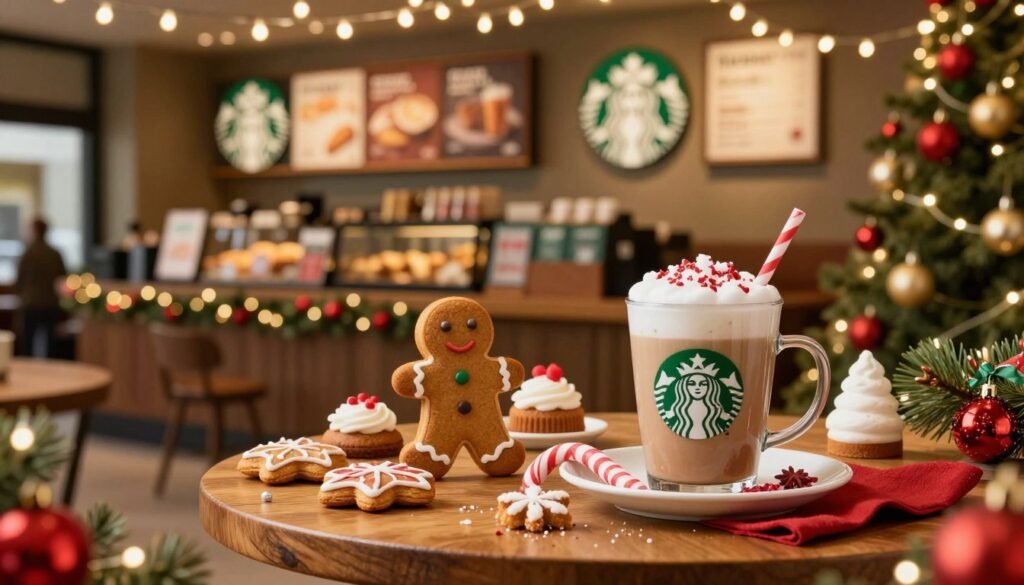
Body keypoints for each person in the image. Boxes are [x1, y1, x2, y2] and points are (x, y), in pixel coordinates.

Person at [15, 217, 66, 357]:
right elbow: (62, 277)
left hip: (30, 303)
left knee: (27, 344)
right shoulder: (55, 254)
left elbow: (19, 279)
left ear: (33, 231)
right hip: (50, 303)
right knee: (50, 345)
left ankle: (27, 374)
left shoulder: (27, 253)